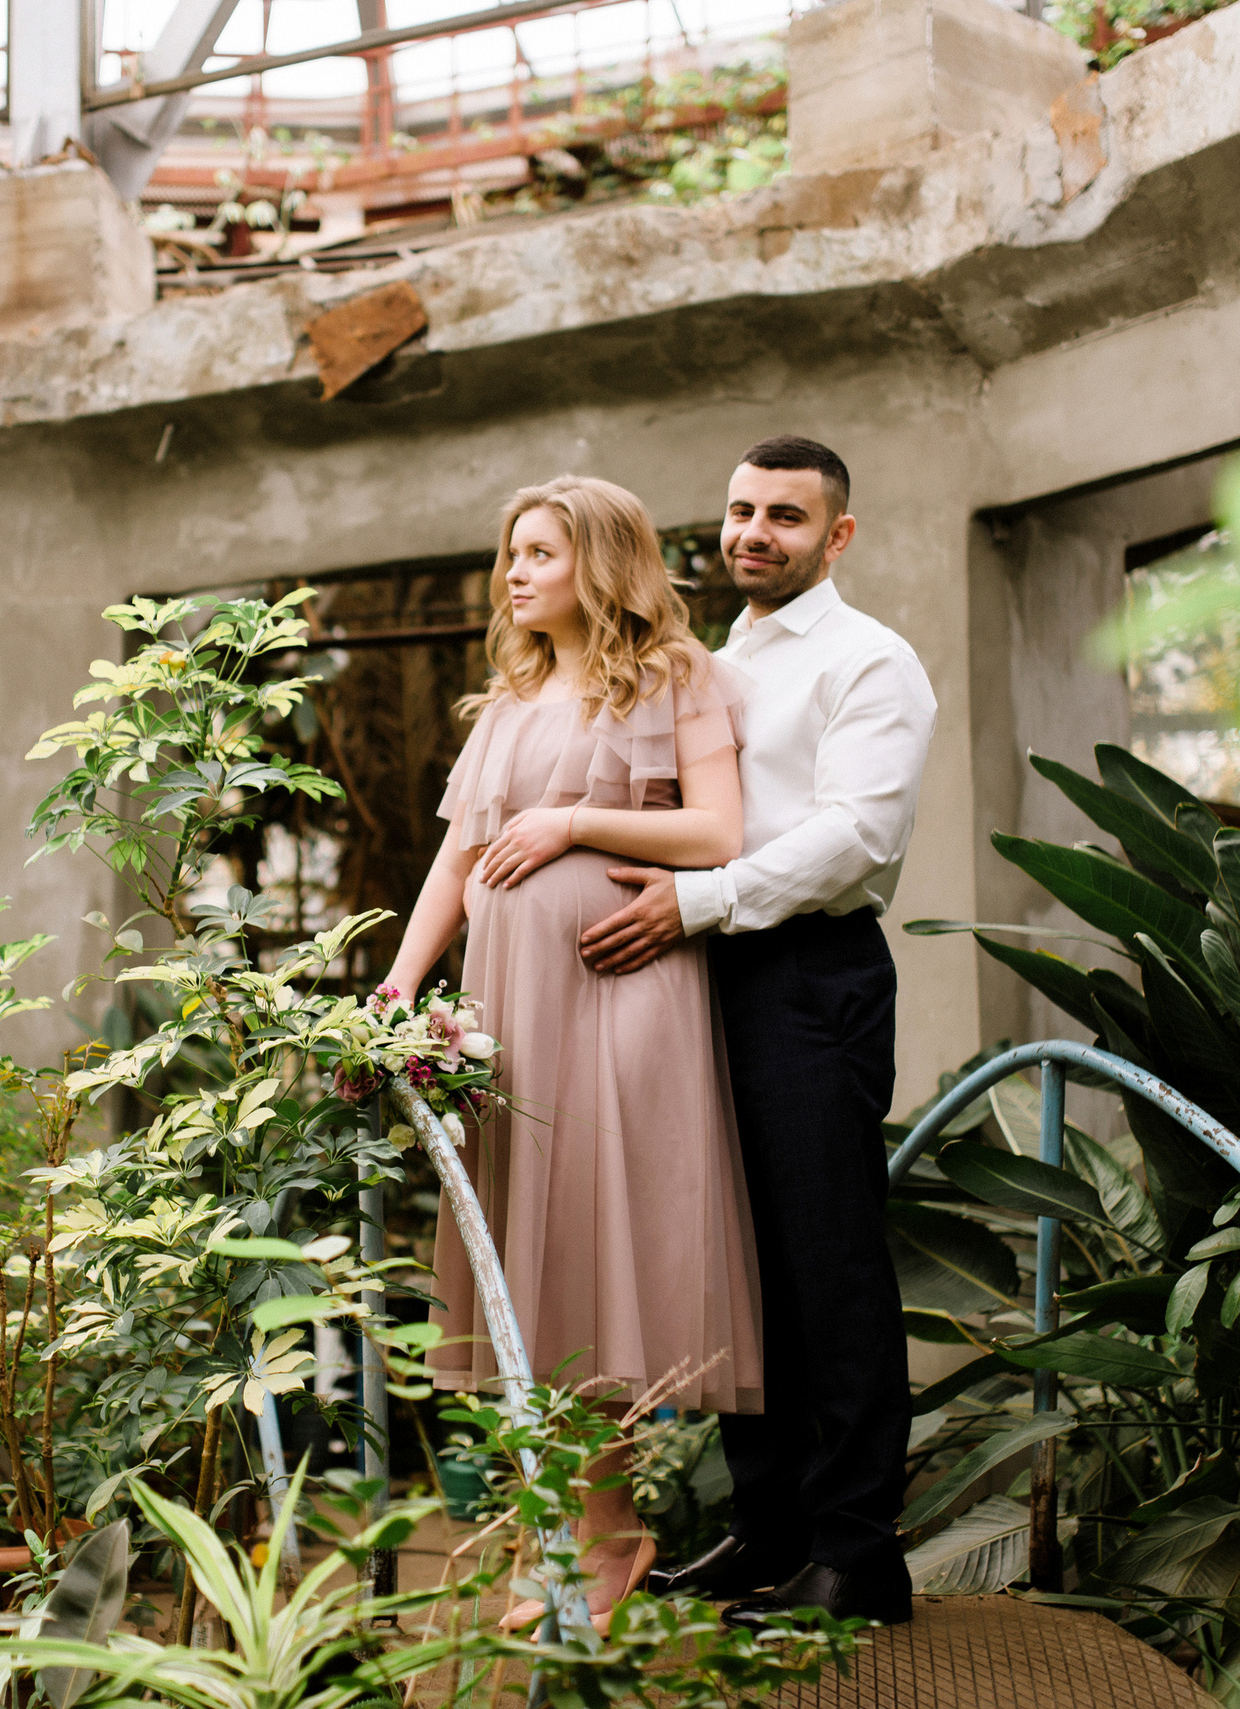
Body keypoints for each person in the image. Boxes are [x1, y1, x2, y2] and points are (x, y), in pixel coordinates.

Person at [382, 473, 764, 1632]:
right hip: (512, 1008)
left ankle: (608, 1526)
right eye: (510, 553)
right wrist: (399, 985)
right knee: (532, 1250)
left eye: (538, 551)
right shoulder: (503, 701)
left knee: (602, 1240)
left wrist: (571, 821)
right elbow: (455, 862)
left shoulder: (674, 676)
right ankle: (565, 1522)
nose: (514, 572)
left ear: (599, 560)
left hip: (622, 994)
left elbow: (718, 831)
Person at [582, 435, 937, 1628]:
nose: (752, 532)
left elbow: (855, 840)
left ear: (836, 536)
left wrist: (695, 900)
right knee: (733, 1256)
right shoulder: (708, 661)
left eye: (784, 516)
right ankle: (767, 1527)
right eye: (740, 509)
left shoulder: (871, 663)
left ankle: (856, 1555)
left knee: (825, 1261)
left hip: (804, 972)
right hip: (695, 972)